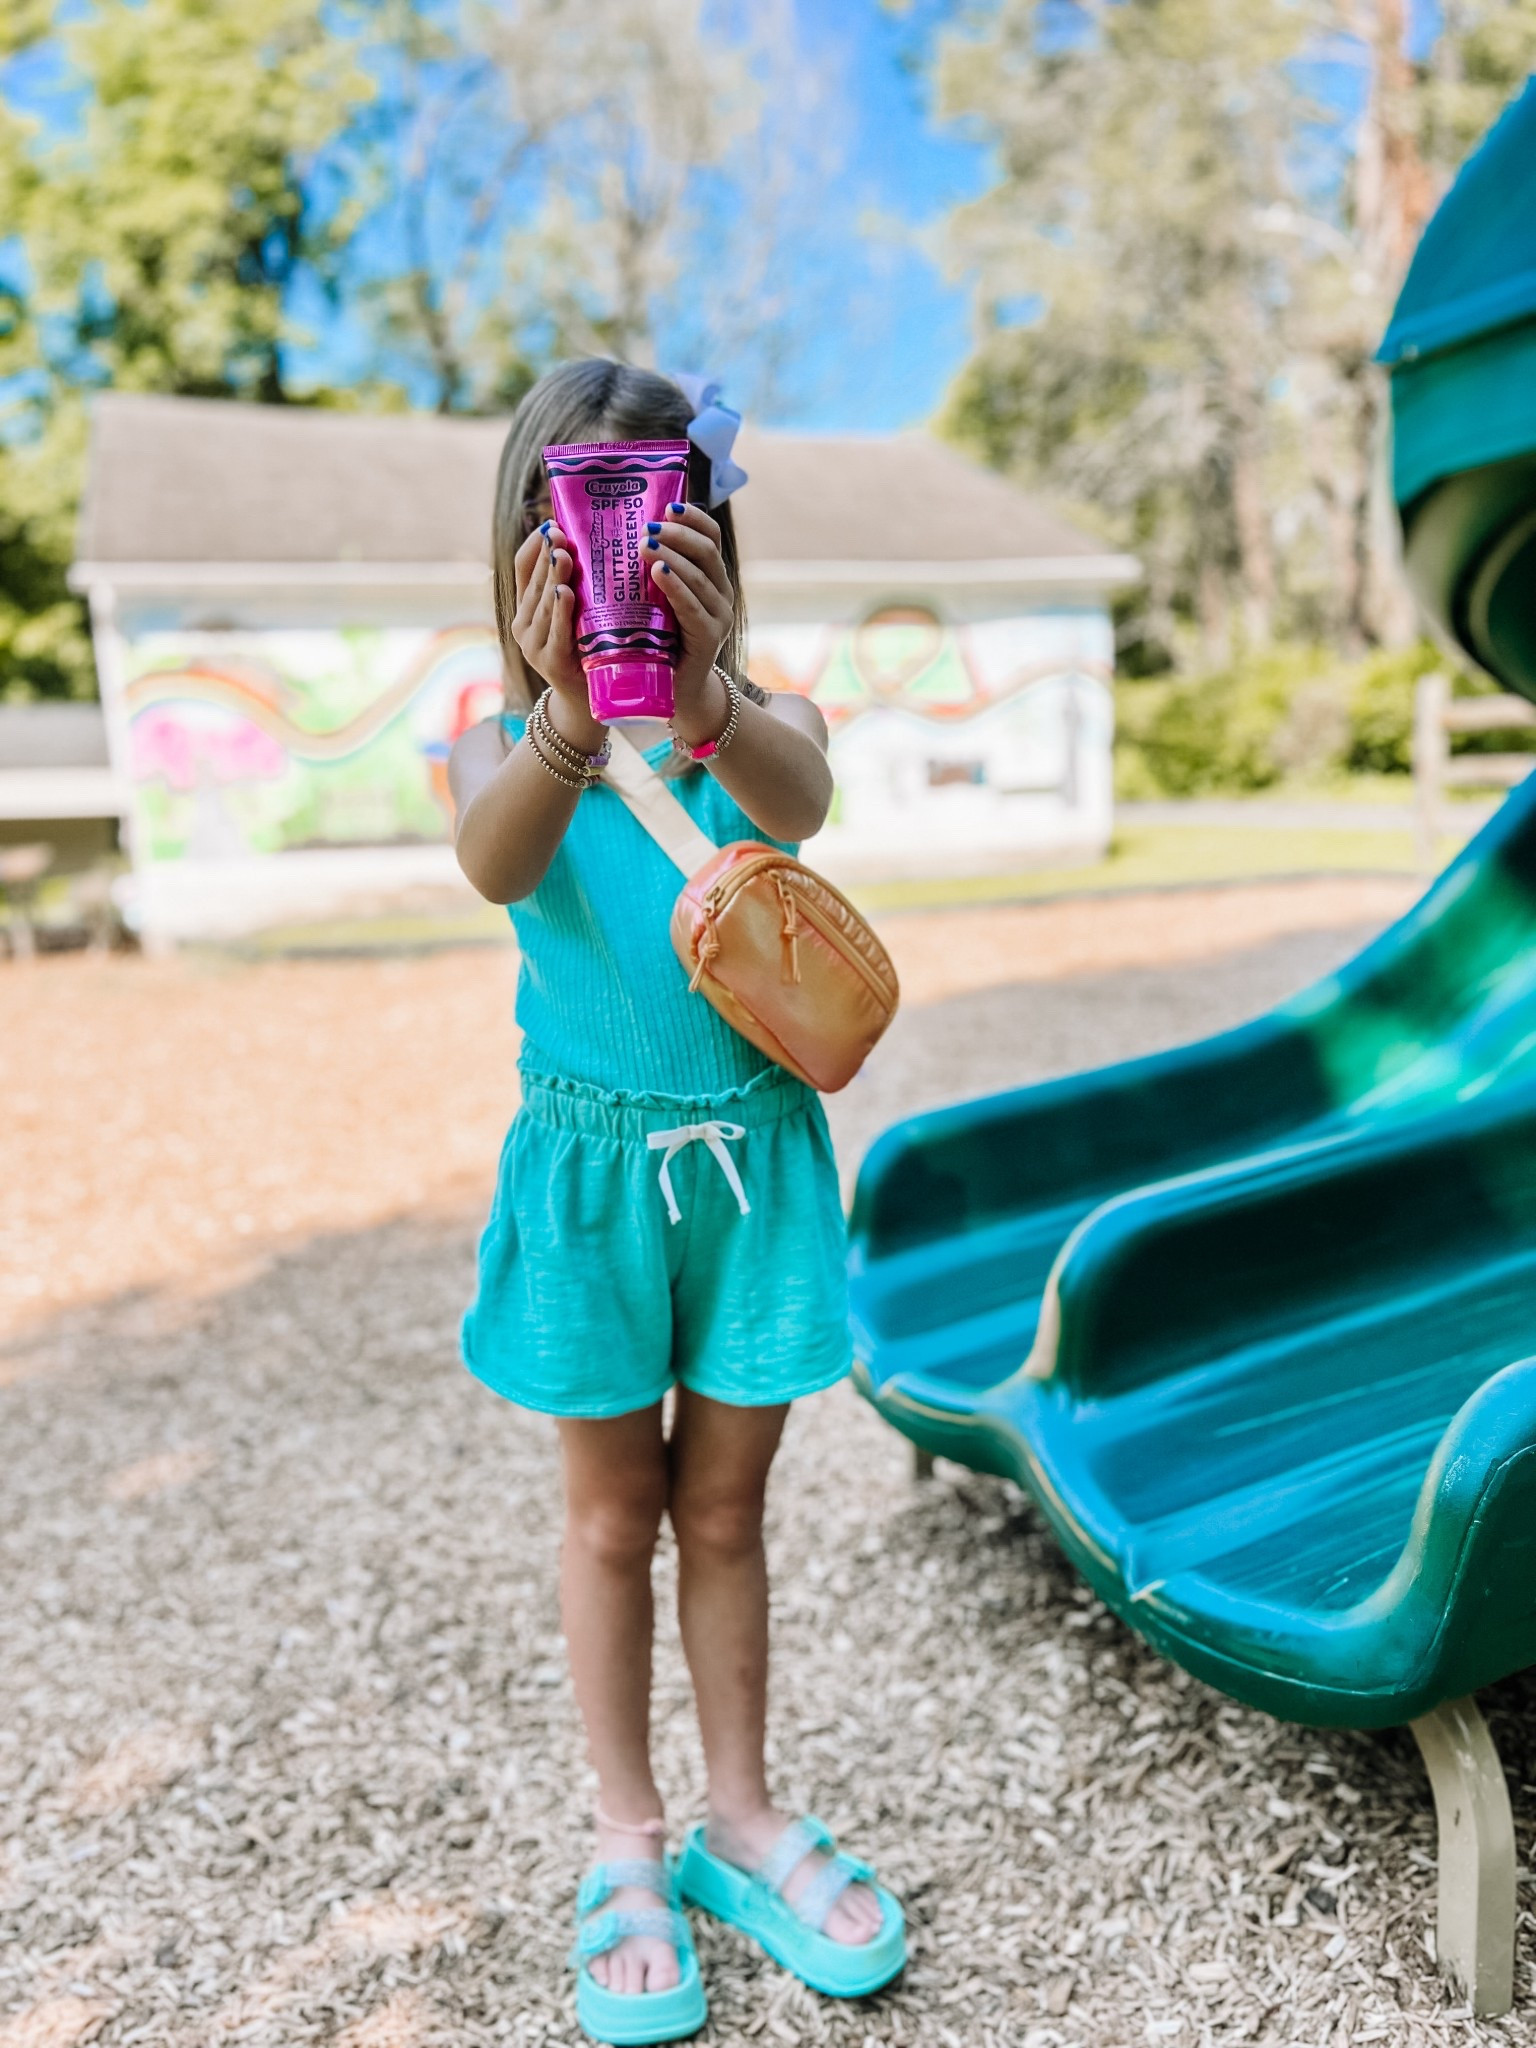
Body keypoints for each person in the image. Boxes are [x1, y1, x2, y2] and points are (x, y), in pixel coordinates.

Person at [449, 359, 905, 2045]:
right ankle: (626, 1843)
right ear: (525, 546)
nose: (621, 561)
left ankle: (740, 1817)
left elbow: (805, 805)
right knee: (605, 1520)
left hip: (749, 1168)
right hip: (591, 1186)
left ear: (707, 535)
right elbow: (496, 863)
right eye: (584, 524)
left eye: (657, 521)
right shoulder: (499, 743)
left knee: (726, 1513)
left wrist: (704, 695)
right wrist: (568, 717)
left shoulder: (753, 725)